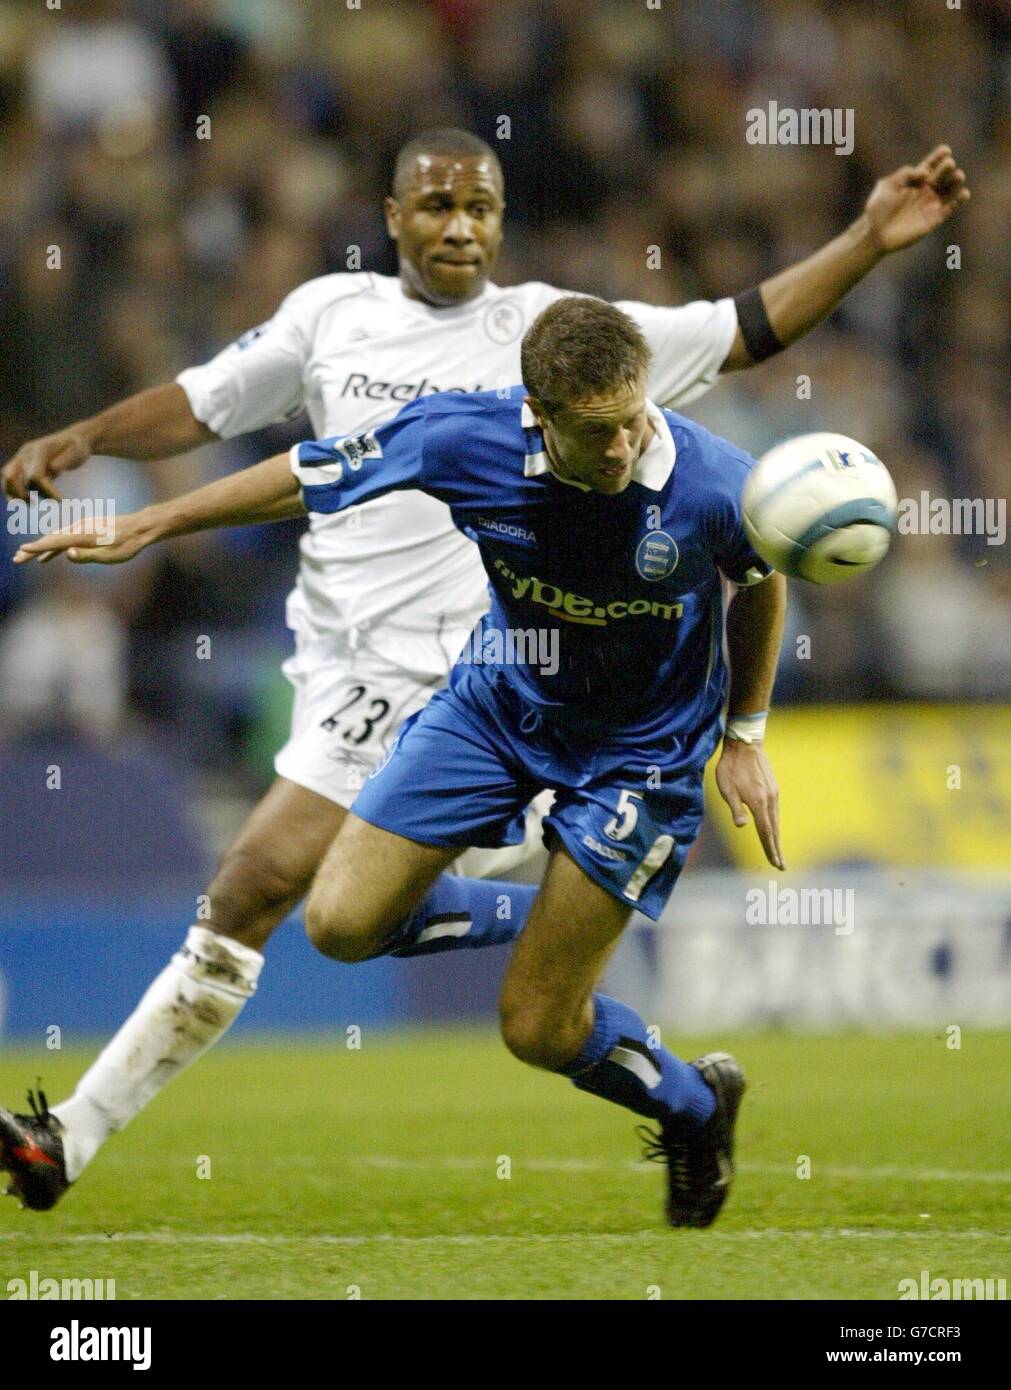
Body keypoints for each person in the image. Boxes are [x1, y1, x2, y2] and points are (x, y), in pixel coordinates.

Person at [0, 128, 966, 1211]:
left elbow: (747, 342)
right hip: (461, 688)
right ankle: (565, 903)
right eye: (436, 205)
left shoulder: (640, 403)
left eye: (482, 206)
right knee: (330, 916)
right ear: (392, 214)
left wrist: (868, 239)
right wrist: (142, 511)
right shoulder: (386, 358)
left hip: (608, 731)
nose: (461, 224)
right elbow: (264, 446)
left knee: (509, 1013)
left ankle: (682, 1089)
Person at [9, 297, 787, 1227]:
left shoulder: (708, 483)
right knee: (338, 924)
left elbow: (760, 575)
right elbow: (307, 473)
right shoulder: (466, 437)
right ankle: (553, 918)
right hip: (497, 706)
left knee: (536, 1029)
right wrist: (155, 523)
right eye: (595, 434)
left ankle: (695, 1106)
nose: (621, 449)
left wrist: (744, 735)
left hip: (640, 757)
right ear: (535, 414)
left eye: (631, 422)